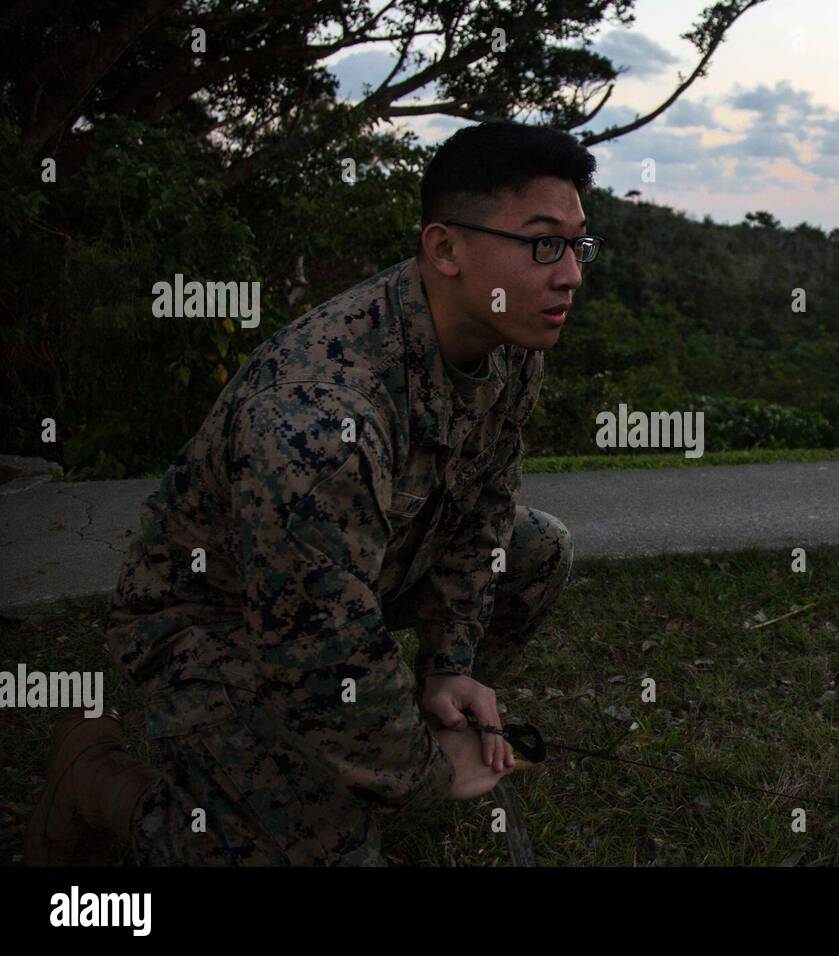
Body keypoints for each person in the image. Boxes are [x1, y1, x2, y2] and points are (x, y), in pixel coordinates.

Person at [26, 121, 601, 866]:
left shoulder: (508, 341)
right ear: (445, 249)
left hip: (345, 582)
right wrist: (425, 776)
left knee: (537, 546)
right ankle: (101, 784)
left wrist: (449, 662)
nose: (570, 276)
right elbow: (316, 648)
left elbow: (482, 507)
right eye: (541, 243)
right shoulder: (323, 414)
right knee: (316, 849)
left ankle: (382, 735)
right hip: (215, 619)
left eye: (577, 245)